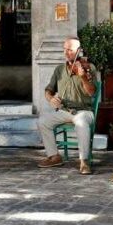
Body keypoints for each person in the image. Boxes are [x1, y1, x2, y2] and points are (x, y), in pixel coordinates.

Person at [37, 37, 97, 175]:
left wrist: (82, 77)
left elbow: (91, 92)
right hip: (65, 110)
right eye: (64, 49)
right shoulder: (59, 69)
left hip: (84, 111)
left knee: (81, 124)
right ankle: (54, 156)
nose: (66, 52)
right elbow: (48, 90)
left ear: (78, 51)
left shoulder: (89, 67)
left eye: (70, 50)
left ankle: (84, 161)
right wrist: (51, 98)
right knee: (43, 121)